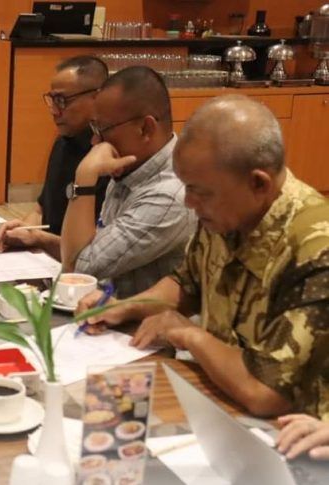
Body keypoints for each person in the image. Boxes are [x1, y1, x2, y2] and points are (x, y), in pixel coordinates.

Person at [78, 95, 329, 419]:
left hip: (292, 431)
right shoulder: (227, 210)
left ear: (258, 183)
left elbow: (267, 391)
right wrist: (124, 307)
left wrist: (189, 334)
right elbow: (188, 282)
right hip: (221, 400)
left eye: (200, 191)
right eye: (187, 187)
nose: (188, 202)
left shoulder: (316, 249)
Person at [60, 66, 195, 297]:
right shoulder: (133, 164)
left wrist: (84, 176)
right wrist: (43, 241)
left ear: (145, 128)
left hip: (141, 318)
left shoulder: (171, 195)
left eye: (103, 129)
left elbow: (77, 271)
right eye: (94, 128)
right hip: (108, 308)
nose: (95, 141)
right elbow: (95, 248)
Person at [0, 56, 109, 257]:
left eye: (62, 101)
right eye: (52, 100)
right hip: (47, 258)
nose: (54, 111)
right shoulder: (63, 143)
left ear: (97, 97)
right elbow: (41, 211)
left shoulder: (111, 159)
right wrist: (24, 229)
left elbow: (95, 253)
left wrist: (39, 238)